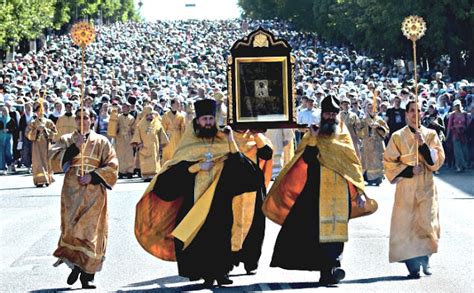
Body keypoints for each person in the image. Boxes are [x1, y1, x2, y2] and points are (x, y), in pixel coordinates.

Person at [135, 99, 261, 288]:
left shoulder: (222, 139)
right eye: (205, 119)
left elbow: (244, 169)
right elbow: (173, 173)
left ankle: (222, 271)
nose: (208, 122)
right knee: (200, 237)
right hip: (193, 199)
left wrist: (230, 140)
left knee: (221, 233)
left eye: (211, 118)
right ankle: (205, 272)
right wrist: (197, 167)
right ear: (197, 120)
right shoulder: (189, 142)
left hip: (220, 198)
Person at [263, 95, 366, 285]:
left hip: (339, 191)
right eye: (327, 113)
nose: (330, 117)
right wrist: (315, 139)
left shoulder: (343, 135)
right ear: (322, 115)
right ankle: (325, 269)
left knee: (336, 230)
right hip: (315, 189)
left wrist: (360, 191)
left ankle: (333, 267)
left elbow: (352, 163)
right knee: (314, 230)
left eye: (333, 114)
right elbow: (307, 159)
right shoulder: (312, 134)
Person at [50, 108, 118, 289]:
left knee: (91, 233)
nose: (83, 121)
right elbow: (53, 161)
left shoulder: (102, 141)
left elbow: (112, 166)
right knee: (72, 231)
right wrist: (74, 148)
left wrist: (93, 176)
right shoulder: (66, 139)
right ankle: (76, 265)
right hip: (72, 193)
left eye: (86, 118)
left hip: (94, 194)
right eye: (79, 118)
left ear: (93, 120)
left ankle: (88, 275)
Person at [383, 100, 445, 279]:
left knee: (426, 223)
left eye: (418, 111)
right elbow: (389, 162)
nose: (415, 114)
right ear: (406, 114)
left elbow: (437, 162)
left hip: (426, 187)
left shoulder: (431, 134)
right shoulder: (397, 136)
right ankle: (412, 266)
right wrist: (409, 170)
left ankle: (425, 259)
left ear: (422, 114)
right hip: (406, 188)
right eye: (411, 111)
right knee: (407, 225)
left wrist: (423, 145)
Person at [231, 129, 273, 274]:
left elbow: (267, 154)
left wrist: (256, 135)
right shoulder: (226, 134)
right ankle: (230, 259)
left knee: (256, 224)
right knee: (230, 222)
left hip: (254, 184)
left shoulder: (255, 135)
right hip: (231, 185)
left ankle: (251, 260)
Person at [130, 106, 169, 181]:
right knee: (145, 162)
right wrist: (139, 143)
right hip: (144, 146)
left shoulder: (157, 124)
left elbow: (162, 135)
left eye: (151, 114)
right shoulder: (140, 125)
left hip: (154, 146)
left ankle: (154, 175)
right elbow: (136, 135)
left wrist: (161, 145)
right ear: (145, 115)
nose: (150, 116)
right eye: (148, 115)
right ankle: (146, 175)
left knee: (154, 161)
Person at [26, 102, 57, 187]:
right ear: (35, 112)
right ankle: (39, 180)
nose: (39, 112)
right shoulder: (32, 123)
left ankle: (48, 179)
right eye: (37, 111)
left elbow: (55, 134)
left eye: (41, 110)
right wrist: (37, 130)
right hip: (37, 146)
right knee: (38, 162)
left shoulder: (49, 122)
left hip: (47, 145)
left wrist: (46, 130)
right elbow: (28, 135)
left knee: (47, 161)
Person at [358, 101, 389, 185]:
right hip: (367, 144)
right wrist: (365, 130)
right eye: (369, 108)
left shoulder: (380, 120)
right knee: (366, 161)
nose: (371, 110)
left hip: (377, 144)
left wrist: (378, 127)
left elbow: (386, 131)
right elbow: (359, 131)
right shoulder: (364, 120)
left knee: (377, 161)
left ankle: (378, 178)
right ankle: (367, 178)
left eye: (372, 108)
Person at [161, 97, 186, 164]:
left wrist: (183, 139)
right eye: (177, 103)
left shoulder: (181, 116)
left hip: (178, 136)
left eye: (179, 103)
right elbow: (163, 128)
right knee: (167, 152)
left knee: (176, 152)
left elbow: (183, 128)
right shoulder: (166, 115)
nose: (179, 105)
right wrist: (163, 138)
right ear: (172, 104)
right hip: (168, 136)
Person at [447, 99, 469, 172]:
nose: (457, 107)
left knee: (464, 150)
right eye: (456, 106)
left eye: (458, 105)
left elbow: (467, 124)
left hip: (463, 134)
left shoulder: (465, 114)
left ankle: (464, 164)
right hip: (455, 134)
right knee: (457, 151)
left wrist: (463, 128)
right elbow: (449, 126)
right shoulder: (452, 115)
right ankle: (459, 166)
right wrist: (447, 136)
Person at [115, 102, 136, 179]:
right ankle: (121, 171)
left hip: (129, 138)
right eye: (122, 107)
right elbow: (115, 127)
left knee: (129, 155)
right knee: (120, 155)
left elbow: (134, 129)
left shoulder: (132, 118)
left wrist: (134, 138)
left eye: (125, 107)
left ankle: (130, 171)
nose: (123, 108)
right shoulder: (118, 117)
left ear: (128, 108)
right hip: (120, 137)